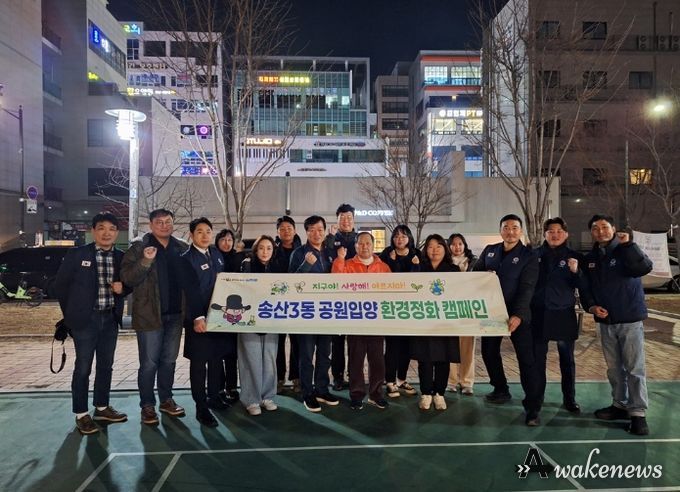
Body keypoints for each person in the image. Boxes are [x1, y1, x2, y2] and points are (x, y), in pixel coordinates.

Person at [55, 212, 129, 435]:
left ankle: (102, 407)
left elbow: (129, 284)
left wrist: (123, 289)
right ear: (93, 231)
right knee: (83, 367)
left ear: (117, 233)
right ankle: (81, 413)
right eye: (101, 228)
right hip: (85, 321)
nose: (107, 233)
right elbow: (61, 286)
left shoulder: (121, 257)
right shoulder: (77, 254)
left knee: (106, 365)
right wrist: (71, 316)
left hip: (110, 319)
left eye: (111, 229)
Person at [581, 214, 653, 436]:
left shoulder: (625, 250)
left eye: (605, 227)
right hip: (605, 322)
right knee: (614, 368)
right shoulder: (591, 258)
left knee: (634, 368)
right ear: (591, 233)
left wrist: (628, 245)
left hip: (629, 320)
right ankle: (619, 404)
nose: (600, 231)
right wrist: (592, 307)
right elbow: (586, 288)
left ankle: (638, 413)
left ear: (613, 229)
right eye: (595, 228)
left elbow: (644, 268)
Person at [121, 209, 189, 425]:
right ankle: (147, 405)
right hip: (149, 315)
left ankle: (166, 400)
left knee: (169, 361)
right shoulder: (139, 247)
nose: (164, 225)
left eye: (168, 221)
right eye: (159, 222)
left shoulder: (181, 247)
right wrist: (145, 261)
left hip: (176, 315)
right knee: (149, 363)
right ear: (150, 225)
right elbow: (127, 278)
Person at [474, 214, 541, 426]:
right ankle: (500, 388)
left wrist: (518, 315)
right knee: (489, 352)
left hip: (517, 315)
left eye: (514, 227)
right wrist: (484, 275)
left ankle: (532, 408)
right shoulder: (490, 251)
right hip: (492, 313)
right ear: (500, 230)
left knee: (526, 359)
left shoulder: (529, 255)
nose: (510, 231)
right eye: (506, 227)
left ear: (520, 231)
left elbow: (527, 287)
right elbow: (474, 274)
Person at [178, 217, 234, 428]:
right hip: (198, 319)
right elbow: (190, 291)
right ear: (191, 235)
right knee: (199, 364)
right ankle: (201, 407)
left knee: (216, 360)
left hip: (218, 318)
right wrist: (197, 317)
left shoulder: (216, 254)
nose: (204, 235)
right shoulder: (186, 259)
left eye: (208, 231)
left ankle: (214, 397)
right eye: (199, 232)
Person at [531, 218, 587, 415]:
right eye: (551, 231)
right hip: (538, 313)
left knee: (567, 360)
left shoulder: (575, 257)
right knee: (537, 360)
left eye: (559, 231)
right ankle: (536, 399)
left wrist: (576, 271)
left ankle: (569, 398)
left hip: (564, 313)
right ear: (545, 234)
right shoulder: (534, 255)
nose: (555, 235)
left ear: (566, 234)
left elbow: (583, 284)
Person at [332, 232, 391, 410]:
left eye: (368, 243)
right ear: (355, 246)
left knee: (377, 360)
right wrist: (339, 260)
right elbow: (335, 283)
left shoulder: (383, 267)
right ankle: (356, 395)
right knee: (355, 360)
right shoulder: (347, 264)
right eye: (361, 243)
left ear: (373, 246)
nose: (364, 246)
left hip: (376, 322)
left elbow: (391, 292)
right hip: (355, 321)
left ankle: (376, 394)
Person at [289, 215, 339, 412]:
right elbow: (291, 284)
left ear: (325, 231)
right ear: (306, 232)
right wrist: (306, 265)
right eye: (312, 230)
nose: (316, 233)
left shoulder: (331, 253)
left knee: (325, 354)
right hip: (307, 313)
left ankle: (322, 389)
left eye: (320, 229)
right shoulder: (299, 253)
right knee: (306, 356)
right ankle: (307, 393)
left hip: (327, 312)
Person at [411, 234, 460, 411]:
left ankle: (439, 393)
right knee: (424, 358)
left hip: (445, 322)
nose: (434, 250)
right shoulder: (419, 268)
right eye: (430, 247)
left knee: (443, 358)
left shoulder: (453, 270)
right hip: (424, 321)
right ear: (426, 250)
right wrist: (414, 268)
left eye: (438, 246)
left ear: (444, 249)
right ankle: (425, 393)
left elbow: (462, 292)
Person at [238, 235, 280, 416]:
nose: (265, 252)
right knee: (251, 359)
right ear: (255, 250)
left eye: (269, 248)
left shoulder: (277, 267)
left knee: (269, 359)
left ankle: (267, 396)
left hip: (271, 320)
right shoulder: (246, 265)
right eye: (261, 248)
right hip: (249, 319)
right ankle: (251, 399)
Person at [379, 225, 419, 398]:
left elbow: (418, 280)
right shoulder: (386, 254)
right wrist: (393, 262)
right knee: (392, 346)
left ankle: (401, 379)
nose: (399, 239)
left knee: (406, 347)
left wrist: (416, 266)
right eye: (396, 236)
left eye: (403, 236)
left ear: (409, 238)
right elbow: (385, 278)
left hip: (410, 309)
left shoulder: (416, 254)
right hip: (391, 308)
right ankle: (389, 381)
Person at [324, 203, 357, 391]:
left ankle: (354, 375)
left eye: (349, 217)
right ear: (337, 220)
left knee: (355, 342)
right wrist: (329, 239)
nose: (346, 221)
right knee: (336, 342)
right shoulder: (330, 240)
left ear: (354, 220)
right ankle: (337, 376)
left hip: (356, 297)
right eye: (342, 217)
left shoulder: (360, 239)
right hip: (336, 297)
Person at [272, 216, 303, 394]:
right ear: (277, 232)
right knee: (278, 342)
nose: (286, 231)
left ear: (295, 230)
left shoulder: (302, 250)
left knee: (297, 342)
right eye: (282, 228)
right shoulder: (273, 250)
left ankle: (296, 377)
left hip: (297, 303)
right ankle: (279, 378)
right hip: (278, 303)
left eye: (289, 228)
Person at [446, 233, 478, 396]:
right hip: (449, 310)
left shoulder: (475, 262)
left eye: (460, 244)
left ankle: (466, 382)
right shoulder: (444, 263)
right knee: (449, 346)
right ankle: (451, 381)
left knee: (467, 348)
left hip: (468, 310)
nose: (457, 247)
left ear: (464, 245)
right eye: (453, 244)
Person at [214, 228, 243, 403]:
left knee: (232, 353)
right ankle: (218, 387)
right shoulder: (212, 257)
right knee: (217, 352)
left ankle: (231, 387)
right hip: (216, 313)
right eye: (223, 239)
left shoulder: (239, 258)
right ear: (217, 241)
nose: (227, 243)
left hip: (234, 312)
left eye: (230, 240)